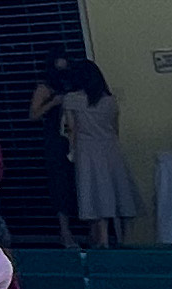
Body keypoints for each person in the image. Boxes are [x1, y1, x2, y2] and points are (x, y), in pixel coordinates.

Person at [31, 52, 136, 244]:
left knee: (93, 193)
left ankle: (99, 239)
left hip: (86, 149)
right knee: (116, 191)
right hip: (110, 148)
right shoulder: (110, 100)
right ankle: (122, 239)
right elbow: (115, 128)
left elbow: (72, 128)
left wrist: (72, 150)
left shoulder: (72, 99)